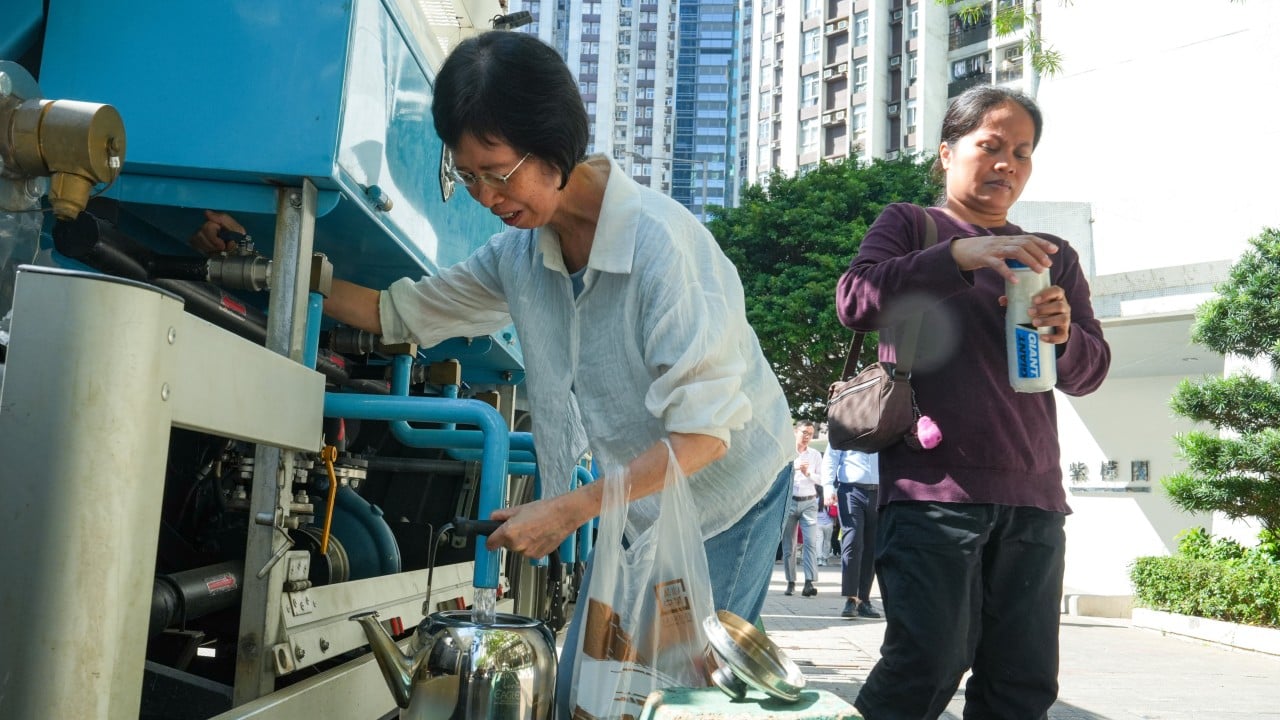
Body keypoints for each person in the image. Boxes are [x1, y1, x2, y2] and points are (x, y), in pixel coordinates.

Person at [192, 31, 794, 717]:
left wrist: (568, 509)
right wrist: (263, 259)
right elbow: (402, 313)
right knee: (586, 689)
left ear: (554, 147)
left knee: (682, 694)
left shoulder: (663, 247)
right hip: (636, 502)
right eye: (466, 176)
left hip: (726, 493)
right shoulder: (520, 254)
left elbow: (703, 437)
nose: (483, 196)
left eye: (497, 172)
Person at [835, 85, 1110, 719]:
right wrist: (958, 255)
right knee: (925, 665)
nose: (1006, 163)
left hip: (1034, 499)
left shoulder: (1051, 255)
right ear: (946, 153)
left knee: (1022, 685)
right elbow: (855, 298)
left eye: (1022, 151)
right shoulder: (910, 225)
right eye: (989, 146)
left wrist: (1063, 337)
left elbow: (1090, 372)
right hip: (934, 493)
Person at [821, 446, 880, 619]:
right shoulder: (846, 423)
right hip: (850, 490)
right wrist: (827, 487)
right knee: (853, 541)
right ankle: (851, 598)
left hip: (879, 490)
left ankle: (864, 599)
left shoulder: (883, 423)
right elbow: (831, 457)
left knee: (872, 546)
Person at [778, 421, 823, 597]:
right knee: (789, 545)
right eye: (804, 432)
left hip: (809, 501)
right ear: (795, 432)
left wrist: (808, 474)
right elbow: (777, 475)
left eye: (810, 434)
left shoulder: (815, 455)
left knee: (811, 542)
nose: (807, 437)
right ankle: (791, 581)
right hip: (790, 501)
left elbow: (822, 479)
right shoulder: (787, 453)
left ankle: (809, 582)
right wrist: (793, 468)